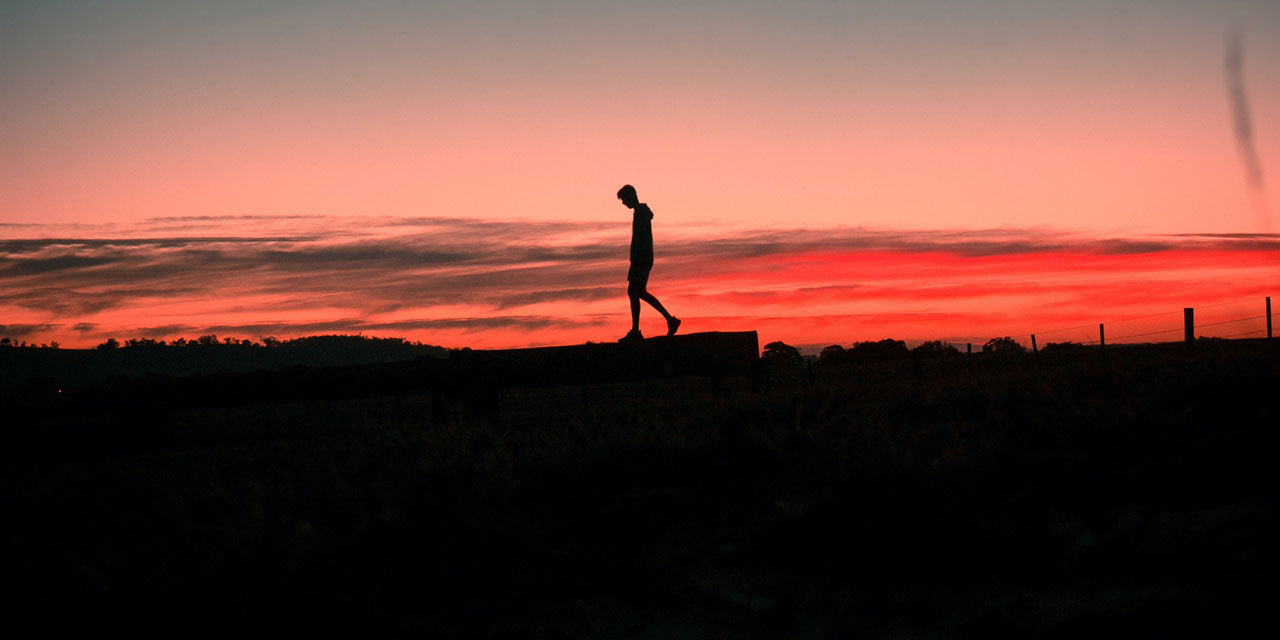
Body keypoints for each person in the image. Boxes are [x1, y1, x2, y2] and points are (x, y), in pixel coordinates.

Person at [617, 184, 680, 342]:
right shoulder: (640, 212)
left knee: (635, 292)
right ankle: (666, 321)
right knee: (637, 292)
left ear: (631, 196)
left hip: (641, 259)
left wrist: (637, 258)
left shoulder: (640, 213)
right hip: (641, 258)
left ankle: (638, 330)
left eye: (624, 199)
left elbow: (641, 238)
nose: (624, 203)